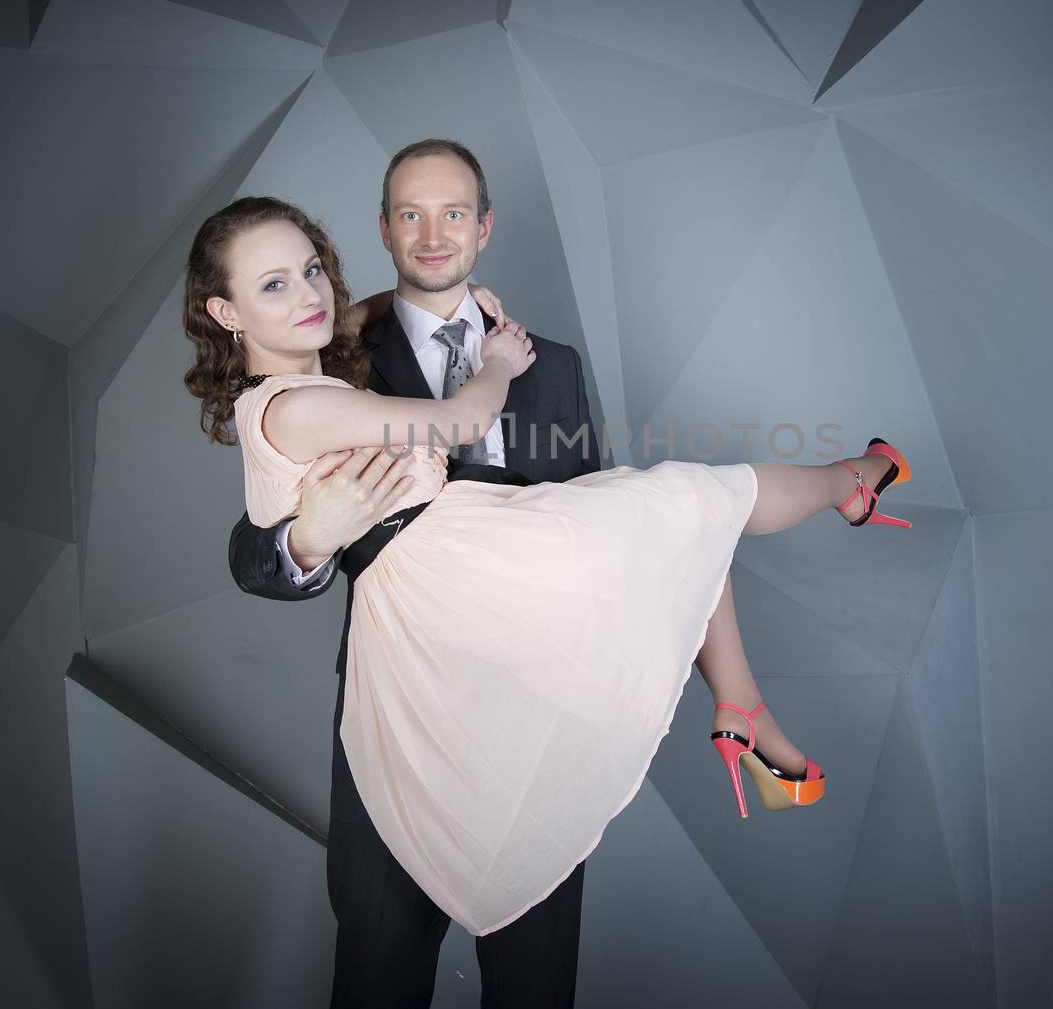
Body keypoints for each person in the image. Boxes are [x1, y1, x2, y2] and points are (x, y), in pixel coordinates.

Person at [201, 144, 911, 1003]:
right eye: (411, 215)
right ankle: (843, 500)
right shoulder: (339, 349)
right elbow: (256, 544)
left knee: (662, 513)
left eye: (454, 212)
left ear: (485, 226)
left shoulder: (555, 363)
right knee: (378, 977)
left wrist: (488, 344)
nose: (433, 234)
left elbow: (613, 542)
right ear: (384, 228)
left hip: (538, 693)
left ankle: (740, 693)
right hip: (405, 697)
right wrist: (307, 539)